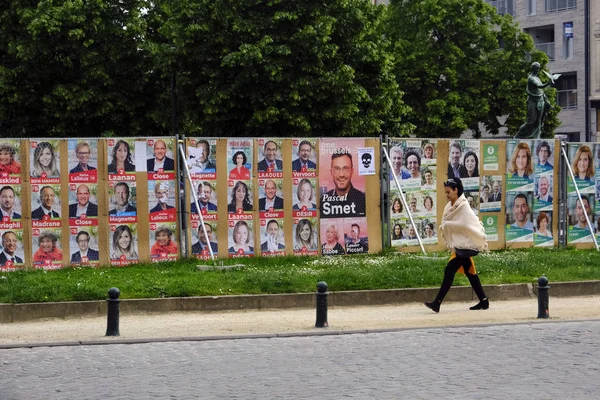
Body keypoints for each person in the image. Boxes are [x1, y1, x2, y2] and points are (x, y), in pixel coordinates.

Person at [425, 177, 488, 313]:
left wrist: (448, 225)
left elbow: (466, 225)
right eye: (446, 192)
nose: (446, 195)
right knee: (470, 272)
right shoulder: (451, 206)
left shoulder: (463, 206)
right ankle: (484, 301)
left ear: (456, 190)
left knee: (449, 270)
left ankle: (437, 303)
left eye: (448, 192)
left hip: (466, 245)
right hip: (461, 246)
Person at [515, 62, 553, 139]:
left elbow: (541, 91)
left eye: (539, 68)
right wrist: (547, 83)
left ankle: (535, 137)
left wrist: (547, 101)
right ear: (533, 68)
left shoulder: (538, 78)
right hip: (532, 101)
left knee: (538, 121)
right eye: (537, 68)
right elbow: (539, 86)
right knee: (530, 122)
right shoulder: (531, 78)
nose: (538, 70)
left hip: (540, 100)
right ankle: (517, 136)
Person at [323, 151, 366, 216]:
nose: (341, 174)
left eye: (345, 169)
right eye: (337, 169)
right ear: (331, 172)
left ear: (352, 171)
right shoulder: (323, 201)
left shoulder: (363, 200)